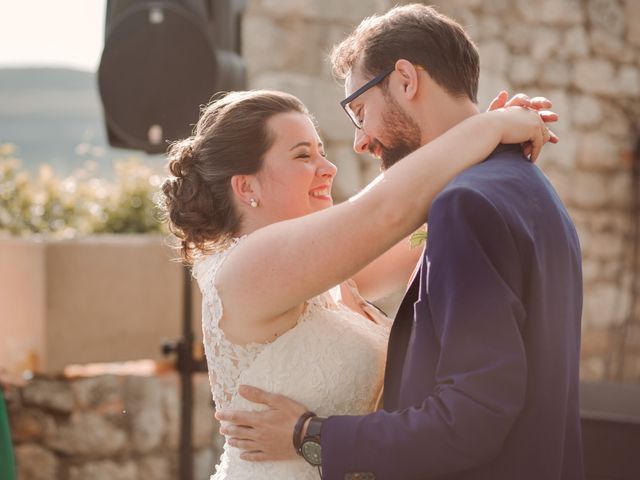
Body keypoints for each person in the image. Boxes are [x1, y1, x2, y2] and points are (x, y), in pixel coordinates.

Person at [216, 4, 583, 480]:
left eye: (359, 111)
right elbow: (369, 256)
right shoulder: (530, 190)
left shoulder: (466, 206)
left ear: (406, 80)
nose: (360, 142)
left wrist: (310, 435)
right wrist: (484, 135)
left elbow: (471, 419)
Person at [161, 84, 553, 479]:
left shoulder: (327, 273)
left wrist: (490, 148)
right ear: (247, 187)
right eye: (303, 155)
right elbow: (387, 211)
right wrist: (492, 127)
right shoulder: (245, 267)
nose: (328, 168)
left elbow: (424, 231)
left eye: (322, 152)